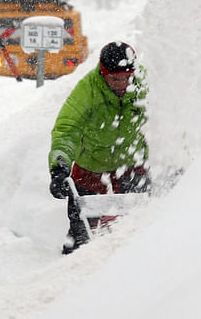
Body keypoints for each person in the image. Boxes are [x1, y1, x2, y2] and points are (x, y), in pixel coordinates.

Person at [47, 41, 150, 254]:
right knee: (81, 238)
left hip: (133, 169)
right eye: (115, 79)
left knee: (143, 230)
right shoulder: (87, 91)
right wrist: (59, 167)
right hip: (91, 171)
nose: (122, 83)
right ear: (103, 74)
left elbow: (170, 118)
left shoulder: (146, 84)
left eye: (127, 78)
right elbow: (67, 130)